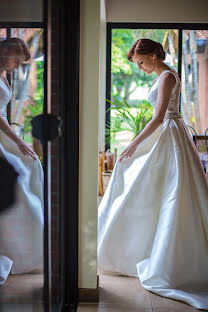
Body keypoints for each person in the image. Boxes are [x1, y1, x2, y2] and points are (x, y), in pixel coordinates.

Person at [97, 38, 208, 310]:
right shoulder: (162, 74)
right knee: (144, 184)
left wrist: (135, 142)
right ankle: (141, 245)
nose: (141, 68)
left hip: (169, 133)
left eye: (142, 62)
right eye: (137, 64)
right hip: (166, 133)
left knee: (168, 189)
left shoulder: (167, 75)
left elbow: (159, 116)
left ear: (154, 56)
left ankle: (168, 256)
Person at [0, 38, 44, 285]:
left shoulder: (4, 74)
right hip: (2, 135)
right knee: (18, 176)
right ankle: (16, 247)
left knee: (32, 165)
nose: (17, 66)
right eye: (16, 60)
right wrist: (18, 141)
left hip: (5, 134)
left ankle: (30, 243)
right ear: (5, 54)